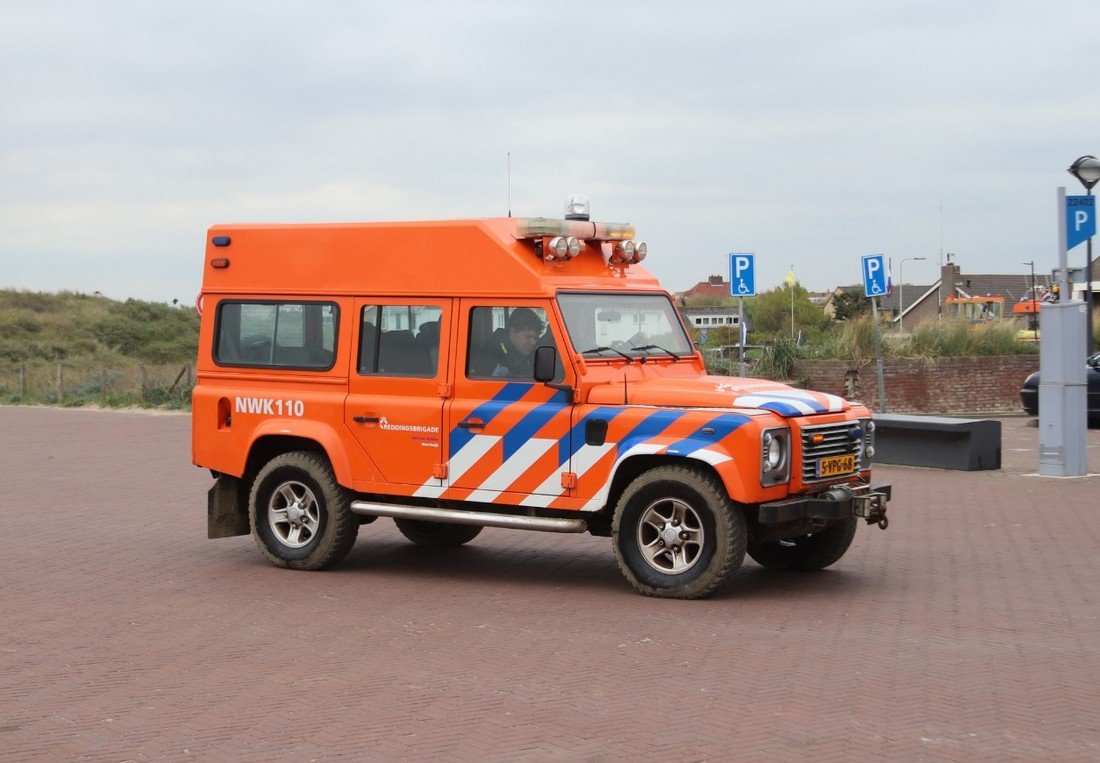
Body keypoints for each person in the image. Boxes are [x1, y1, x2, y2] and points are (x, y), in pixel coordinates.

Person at [491, 308, 543, 378]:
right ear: (512, 331)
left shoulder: (527, 352)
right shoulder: (493, 354)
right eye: (528, 337)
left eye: (536, 338)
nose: (533, 343)